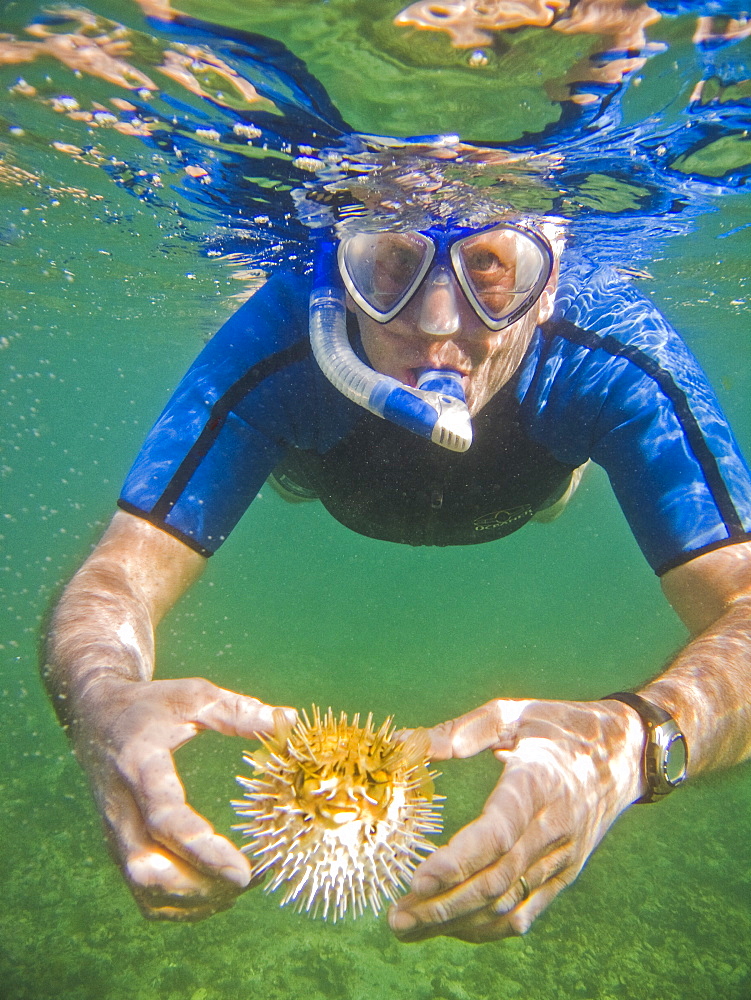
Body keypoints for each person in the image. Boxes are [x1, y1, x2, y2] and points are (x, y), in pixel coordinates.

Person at [42, 208, 751, 941]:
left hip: (523, 486)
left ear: (550, 283)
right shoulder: (280, 336)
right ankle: (282, 459)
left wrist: (633, 746)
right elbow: (119, 574)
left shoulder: (611, 351)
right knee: (285, 465)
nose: (438, 325)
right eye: (391, 264)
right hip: (327, 473)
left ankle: (558, 481)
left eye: (488, 268)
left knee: (549, 497)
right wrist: (102, 699)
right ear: (338, 278)